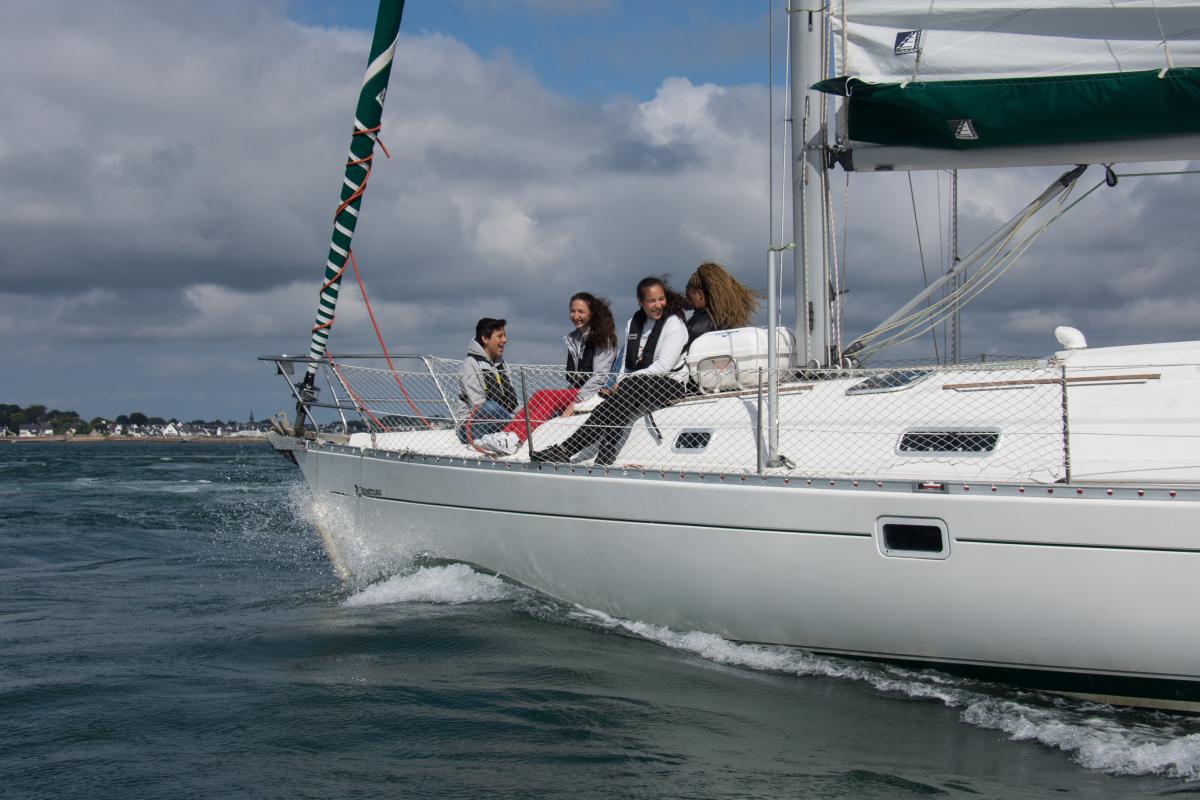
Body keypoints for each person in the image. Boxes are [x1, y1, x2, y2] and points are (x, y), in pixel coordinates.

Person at [531, 276, 689, 466]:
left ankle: (574, 450)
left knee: (625, 393)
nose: (658, 305)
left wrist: (626, 381)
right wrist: (620, 381)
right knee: (610, 405)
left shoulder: (674, 324)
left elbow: (663, 366)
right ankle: (591, 452)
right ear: (640, 302)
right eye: (651, 301)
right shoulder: (633, 324)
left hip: (671, 384)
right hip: (637, 386)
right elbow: (626, 363)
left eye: (661, 299)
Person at [475, 293, 619, 456]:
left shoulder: (604, 338)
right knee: (540, 394)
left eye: (581, 311)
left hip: (594, 393)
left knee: (549, 396)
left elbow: (600, 377)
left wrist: (577, 401)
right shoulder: (576, 338)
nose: (575, 316)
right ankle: (506, 434)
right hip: (577, 390)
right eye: (572, 311)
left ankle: (517, 438)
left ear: (592, 313)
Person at [456, 318, 518, 444]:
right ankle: (520, 427)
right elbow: (479, 407)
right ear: (485, 338)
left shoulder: (502, 365)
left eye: (504, 335)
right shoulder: (470, 364)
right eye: (499, 336)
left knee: (536, 404)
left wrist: (528, 412)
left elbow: (513, 405)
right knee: (490, 407)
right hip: (472, 427)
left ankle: (521, 426)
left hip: (501, 422)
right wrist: (517, 420)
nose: (504, 340)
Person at [684, 261, 761, 342]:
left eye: (689, 297)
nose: (687, 301)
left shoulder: (698, 325)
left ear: (700, 295)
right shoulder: (729, 319)